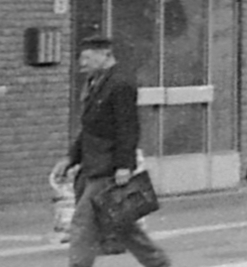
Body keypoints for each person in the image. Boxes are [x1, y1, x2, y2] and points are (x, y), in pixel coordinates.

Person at [55, 35, 171, 267]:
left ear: (105, 55)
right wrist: (70, 158)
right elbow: (89, 128)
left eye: (87, 57)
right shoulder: (94, 84)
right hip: (92, 165)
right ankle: (157, 262)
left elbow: (127, 127)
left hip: (107, 167)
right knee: (121, 221)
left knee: (82, 223)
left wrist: (124, 166)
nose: (82, 63)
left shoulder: (120, 85)